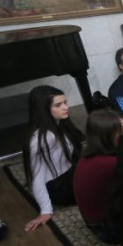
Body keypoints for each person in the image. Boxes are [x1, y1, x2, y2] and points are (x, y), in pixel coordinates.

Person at [23, 86, 84, 232]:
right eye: (58, 105)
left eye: (65, 102)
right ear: (43, 110)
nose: (65, 108)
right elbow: (36, 176)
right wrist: (45, 211)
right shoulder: (41, 139)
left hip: (70, 175)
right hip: (61, 188)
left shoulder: (61, 124)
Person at [74, 109, 123, 243]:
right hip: (108, 228)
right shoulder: (110, 164)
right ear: (109, 134)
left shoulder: (90, 155)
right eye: (122, 129)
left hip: (97, 221)